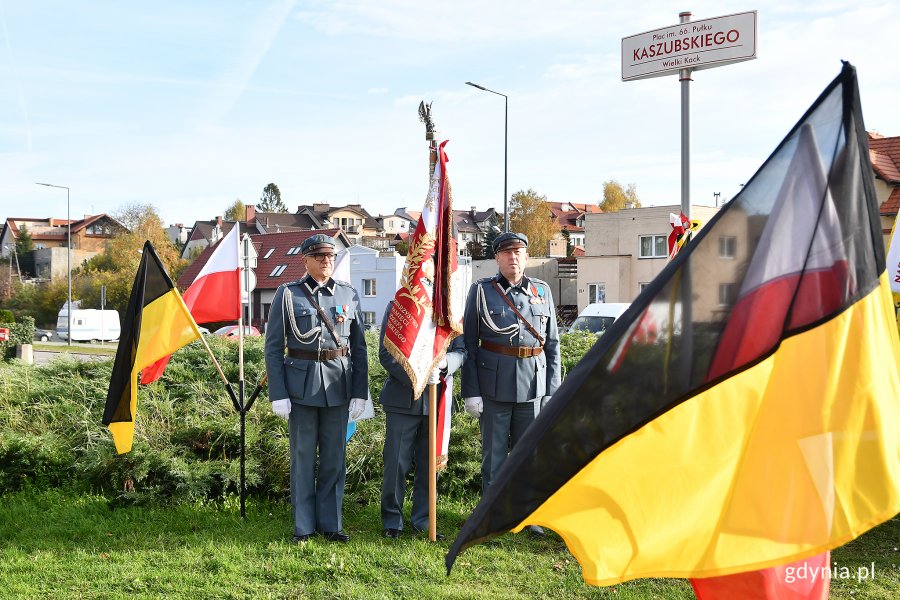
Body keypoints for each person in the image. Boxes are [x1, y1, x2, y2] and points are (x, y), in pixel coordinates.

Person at [265, 234, 368, 544]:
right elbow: (272, 349)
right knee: (303, 458)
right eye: (319, 256)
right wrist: (278, 393)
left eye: (330, 256)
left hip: (338, 384)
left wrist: (360, 391)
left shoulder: (348, 294)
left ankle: (331, 524)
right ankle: (304, 526)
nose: (326, 260)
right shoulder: (288, 295)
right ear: (305, 260)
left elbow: (359, 348)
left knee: (335, 458)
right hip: (301, 387)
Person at [461, 231, 561, 535]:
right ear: (497, 258)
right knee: (493, 455)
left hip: (533, 386)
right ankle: (492, 517)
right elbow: (469, 345)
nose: (512, 257)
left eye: (518, 252)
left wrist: (552, 392)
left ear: (527, 257)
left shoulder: (542, 291)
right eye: (506, 253)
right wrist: (471, 392)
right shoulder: (481, 291)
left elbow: (553, 345)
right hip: (494, 387)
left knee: (527, 455)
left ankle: (526, 516)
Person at [378, 300, 467, 539]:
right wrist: (418, 377)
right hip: (402, 398)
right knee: (396, 463)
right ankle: (392, 521)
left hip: (437, 401)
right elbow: (386, 354)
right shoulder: (399, 305)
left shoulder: (449, 309)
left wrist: (448, 363)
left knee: (430, 465)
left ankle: (424, 520)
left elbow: (461, 350)